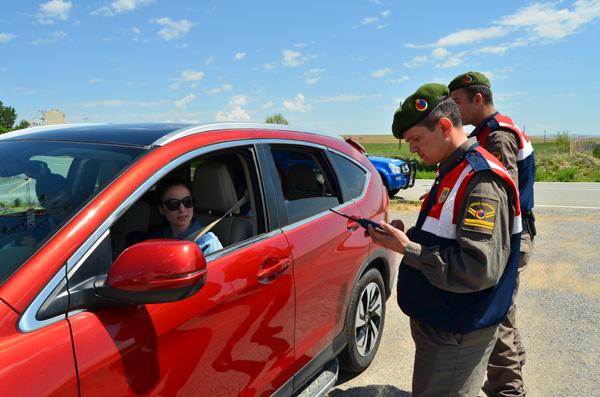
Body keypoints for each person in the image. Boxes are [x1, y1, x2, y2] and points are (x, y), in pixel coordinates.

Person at [369, 83, 522, 397]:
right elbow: (445, 236)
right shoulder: (452, 169)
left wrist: (406, 248)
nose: (411, 148)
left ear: (443, 127)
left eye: (415, 139)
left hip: (457, 331)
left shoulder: (480, 179)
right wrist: (406, 235)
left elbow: (477, 267)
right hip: (444, 321)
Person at [449, 71, 536, 397]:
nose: (454, 111)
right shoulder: (493, 129)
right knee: (504, 316)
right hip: (512, 236)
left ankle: (508, 390)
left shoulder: (497, 137)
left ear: (478, 99)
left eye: (457, 103)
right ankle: (510, 377)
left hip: (506, 240)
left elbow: (500, 199)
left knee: (497, 319)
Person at [154, 177, 223, 255]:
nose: (182, 209)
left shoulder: (208, 242)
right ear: (161, 209)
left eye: (187, 201)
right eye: (173, 204)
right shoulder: (157, 239)